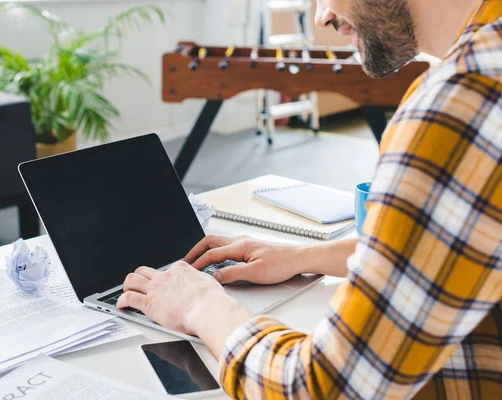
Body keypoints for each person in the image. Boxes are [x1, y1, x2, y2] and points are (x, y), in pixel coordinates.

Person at [118, 0, 502, 398]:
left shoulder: (462, 101)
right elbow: (451, 242)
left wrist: (201, 306)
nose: (321, 16)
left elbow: (325, 387)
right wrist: (304, 257)